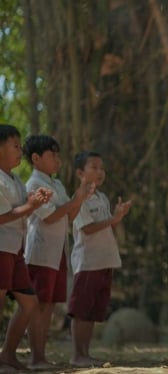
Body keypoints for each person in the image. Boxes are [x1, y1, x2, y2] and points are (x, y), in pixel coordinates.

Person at [22, 135, 95, 369]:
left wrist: (80, 197)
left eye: (58, 155)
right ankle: (36, 357)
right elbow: (52, 216)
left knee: (50, 304)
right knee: (39, 304)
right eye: (52, 155)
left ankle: (41, 355)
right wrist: (76, 199)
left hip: (57, 252)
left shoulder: (58, 185)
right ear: (35, 158)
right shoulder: (34, 185)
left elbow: (69, 215)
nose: (58, 160)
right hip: (40, 252)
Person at [68, 151, 131, 366]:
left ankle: (86, 353)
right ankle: (77, 355)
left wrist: (117, 216)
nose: (99, 172)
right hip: (88, 261)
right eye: (93, 167)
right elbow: (86, 228)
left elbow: (106, 224)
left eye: (101, 168)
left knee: (93, 310)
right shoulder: (79, 199)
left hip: (105, 260)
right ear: (80, 173)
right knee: (81, 311)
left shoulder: (101, 197)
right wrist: (113, 220)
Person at [0, 124, 52, 372]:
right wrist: (31, 206)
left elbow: (23, 207)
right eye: (15, 146)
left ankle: (8, 354)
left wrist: (37, 199)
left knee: (29, 302)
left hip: (15, 249)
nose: (19, 151)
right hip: (0, 248)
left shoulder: (16, 179)